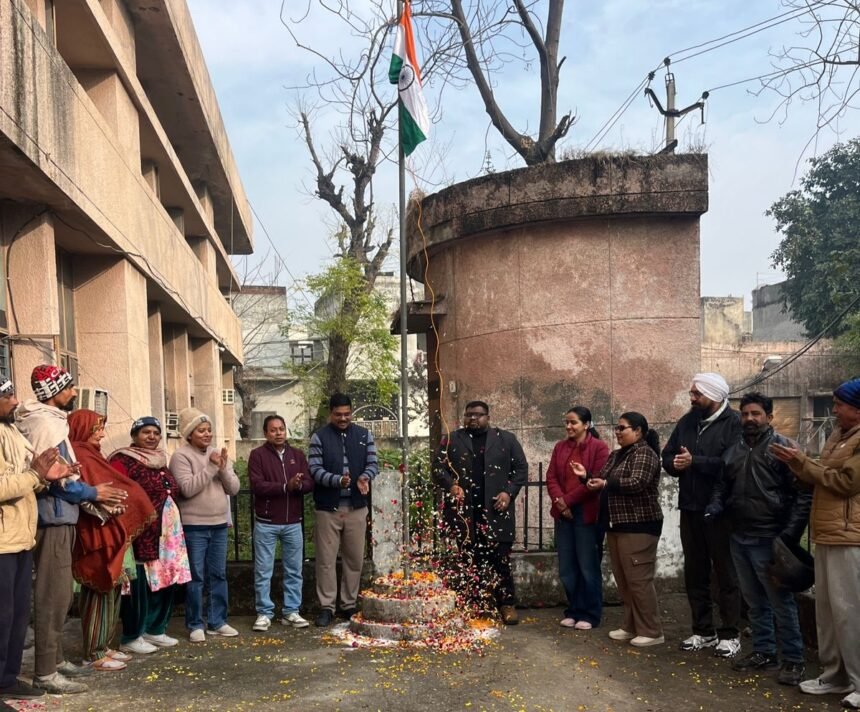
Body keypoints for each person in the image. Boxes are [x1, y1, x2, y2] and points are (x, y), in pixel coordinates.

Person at [16, 365, 126, 694]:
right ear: (53, 392)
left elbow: (63, 473)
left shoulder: (46, 421)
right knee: (53, 596)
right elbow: (54, 479)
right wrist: (93, 493)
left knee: (59, 595)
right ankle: (46, 672)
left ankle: (56, 659)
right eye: (68, 387)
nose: (74, 392)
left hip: (60, 516)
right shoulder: (44, 423)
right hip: (51, 518)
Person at [707, 392, 811, 686]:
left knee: (781, 602)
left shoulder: (784, 448)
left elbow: (803, 495)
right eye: (745, 414)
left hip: (771, 538)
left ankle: (794, 659)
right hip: (739, 536)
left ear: (769, 417)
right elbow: (720, 485)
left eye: (756, 414)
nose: (749, 419)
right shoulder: (734, 449)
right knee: (754, 602)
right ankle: (765, 652)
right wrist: (716, 505)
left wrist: (789, 536)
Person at [772, 378, 860, 710]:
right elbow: (820, 475)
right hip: (826, 532)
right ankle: (835, 674)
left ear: (857, 408)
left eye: (839, 404)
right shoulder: (839, 436)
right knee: (827, 611)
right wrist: (797, 462)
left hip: (849, 536)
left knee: (850, 611)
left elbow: (846, 483)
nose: (834, 409)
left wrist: (805, 463)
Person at [0, 378, 75, 704]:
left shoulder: (13, 432)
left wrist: (46, 478)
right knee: (2, 617)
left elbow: (29, 476)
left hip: (21, 537)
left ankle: (8, 678)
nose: (15, 402)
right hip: (3, 541)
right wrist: (35, 476)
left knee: (17, 617)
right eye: (8, 396)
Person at [661, 372, 743, 657]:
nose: (692, 398)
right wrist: (676, 464)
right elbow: (667, 455)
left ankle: (730, 633)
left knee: (725, 572)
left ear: (715, 395)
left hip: (721, 510)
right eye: (692, 393)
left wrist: (696, 462)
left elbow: (732, 463)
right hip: (690, 506)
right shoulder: (687, 421)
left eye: (697, 393)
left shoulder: (734, 423)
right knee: (695, 571)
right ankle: (703, 630)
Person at [68, 410, 155, 672]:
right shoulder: (78, 454)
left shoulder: (91, 454)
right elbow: (85, 493)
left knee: (112, 587)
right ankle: (93, 652)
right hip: (95, 532)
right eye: (97, 429)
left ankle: (104, 646)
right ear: (83, 429)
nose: (102, 434)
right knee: (98, 587)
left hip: (108, 530)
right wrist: (107, 508)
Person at [432, 400, 528, 625]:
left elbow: (521, 469)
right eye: (468, 415)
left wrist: (508, 493)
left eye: (478, 415)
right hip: (465, 513)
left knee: (500, 560)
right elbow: (437, 466)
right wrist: (451, 485)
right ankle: (473, 605)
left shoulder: (506, 439)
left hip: (496, 510)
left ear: (488, 417)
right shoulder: (452, 438)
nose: (473, 419)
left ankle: (506, 603)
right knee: (468, 560)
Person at [110, 417, 191, 655]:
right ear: (134, 436)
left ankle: (156, 629)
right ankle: (133, 634)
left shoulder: (160, 461)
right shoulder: (123, 460)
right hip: (141, 533)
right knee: (141, 585)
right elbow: (116, 491)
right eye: (146, 432)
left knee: (166, 579)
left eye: (156, 432)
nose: (152, 437)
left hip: (167, 534)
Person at [588, 412, 664, 647]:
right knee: (624, 579)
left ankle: (651, 631)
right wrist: (587, 479)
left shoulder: (645, 453)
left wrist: (607, 483)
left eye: (623, 428)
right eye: (617, 428)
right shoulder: (617, 455)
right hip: (616, 524)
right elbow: (602, 478)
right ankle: (631, 626)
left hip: (639, 525)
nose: (618, 432)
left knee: (639, 579)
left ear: (638, 431)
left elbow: (637, 482)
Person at [170, 408, 240, 643]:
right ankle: (195, 624)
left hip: (219, 524)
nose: (207, 434)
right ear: (189, 434)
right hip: (194, 526)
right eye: (201, 430)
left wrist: (222, 469)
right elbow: (187, 489)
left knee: (218, 575)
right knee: (196, 577)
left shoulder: (216, 454)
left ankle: (217, 621)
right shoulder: (180, 456)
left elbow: (234, 488)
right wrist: (211, 468)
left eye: (209, 430)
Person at [309, 394, 378, 627]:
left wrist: (365, 478)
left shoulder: (363, 435)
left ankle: (348, 605)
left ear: (352, 412)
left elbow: (373, 464)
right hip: (328, 508)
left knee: (355, 559)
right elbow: (315, 470)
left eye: (347, 414)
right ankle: (326, 607)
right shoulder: (319, 437)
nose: (343, 418)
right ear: (331, 413)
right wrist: (337, 481)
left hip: (356, 508)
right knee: (326, 561)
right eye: (338, 415)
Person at [546, 406, 610, 630]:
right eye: (566, 422)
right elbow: (551, 476)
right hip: (563, 513)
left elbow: (596, 481)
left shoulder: (599, 448)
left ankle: (590, 613)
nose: (568, 426)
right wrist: (560, 502)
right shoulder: (560, 447)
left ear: (586, 424)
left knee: (587, 565)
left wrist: (568, 501)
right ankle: (573, 609)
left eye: (573, 422)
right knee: (567, 566)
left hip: (587, 513)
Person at [248, 415, 313, 632]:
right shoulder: (257, 456)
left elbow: (309, 482)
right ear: (266, 433)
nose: (278, 433)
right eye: (273, 430)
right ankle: (264, 613)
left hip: (293, 521)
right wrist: (286, 486)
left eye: (282, 429)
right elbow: (258, 485)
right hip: (266, 522)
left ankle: (291, 611)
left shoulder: (297, 455)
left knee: (294, 569)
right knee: (264, 570)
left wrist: (298, 485)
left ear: (286, 431)